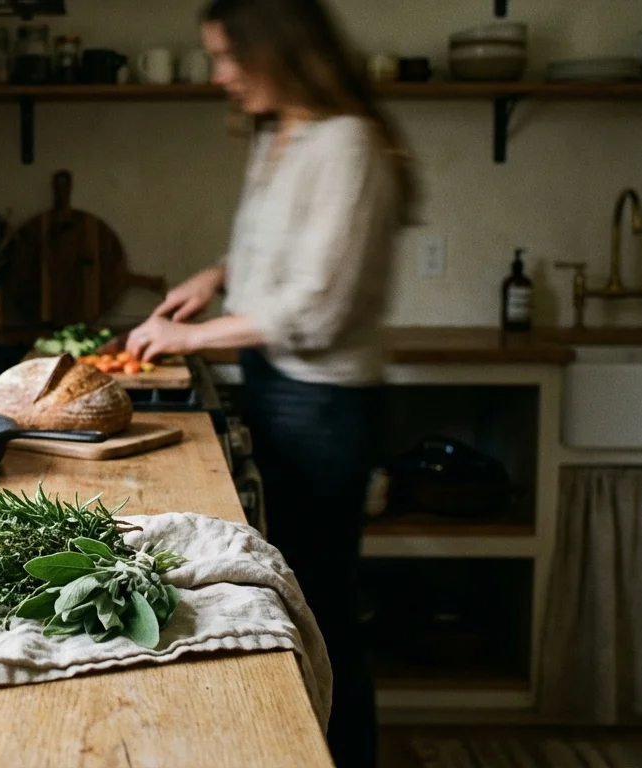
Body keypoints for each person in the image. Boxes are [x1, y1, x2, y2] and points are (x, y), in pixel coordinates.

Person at [123, 1, 416, 765]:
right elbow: (276, 254)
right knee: (297, 595)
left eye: (229, 56)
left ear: (278, 49)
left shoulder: (348, 144)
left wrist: (186, 338)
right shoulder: (280, 133)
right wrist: (216, 277)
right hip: (278, 384)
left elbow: (317, 308)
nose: (219, 74)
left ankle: (343, 754)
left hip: (325, 401)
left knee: (322, 605)